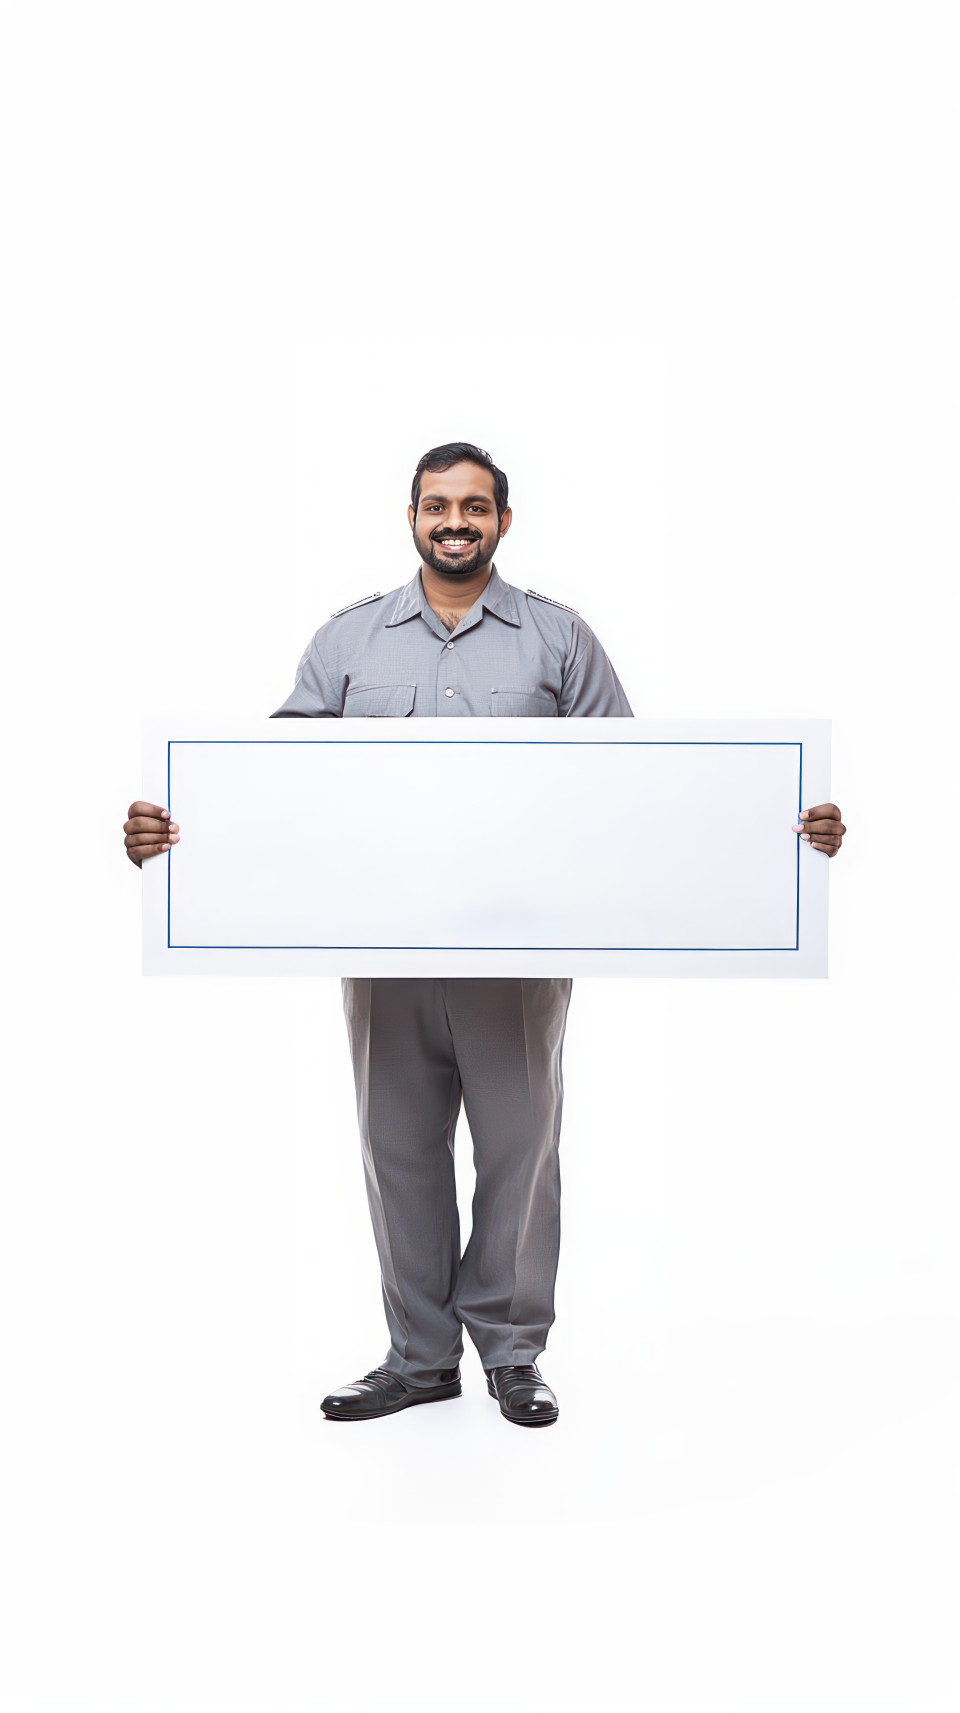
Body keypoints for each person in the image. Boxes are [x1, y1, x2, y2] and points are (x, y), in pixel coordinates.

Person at [123, 441, 847, 1428]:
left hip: (519, 956)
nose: (454, 519)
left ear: (504, 520)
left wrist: (786, 832)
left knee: (520, 1149)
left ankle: (512, 1354)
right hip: (386, 955)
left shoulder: (558, 641)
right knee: (399, 1150)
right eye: (436, 504)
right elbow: (269, 789)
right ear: (410, 516)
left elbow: (643, 791)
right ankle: (419, 1359)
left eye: (474, 505)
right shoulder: (347, 646)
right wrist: (172, 835)